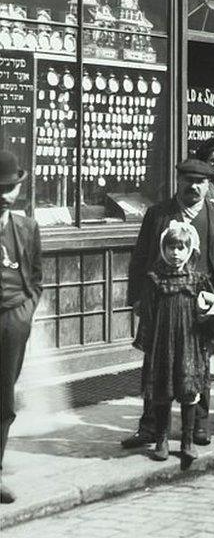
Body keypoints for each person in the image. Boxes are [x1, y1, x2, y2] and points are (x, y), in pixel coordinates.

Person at [123, 158, 214, 450]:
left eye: (200, 182)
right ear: (178, 182)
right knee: (156, 363)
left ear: (208, 185)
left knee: (199, 364)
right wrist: (138, 298)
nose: (194, 187)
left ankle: (198, 426)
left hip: (202, 304)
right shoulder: (158, 214)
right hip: (164, 300)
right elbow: (140, 258)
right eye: (188, 181)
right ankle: (150, 426)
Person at [134, 221, 214, 470]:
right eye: (171, 247)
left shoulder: (198, 280)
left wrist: (208, 338)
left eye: (181, 248)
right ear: (163, 249)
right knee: (162, 391)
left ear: (189, 250)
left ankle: (186, 440)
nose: (175, 253)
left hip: (190, 342)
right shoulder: (155, 280)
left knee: (189, 391)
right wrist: (148, 344)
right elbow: (148, 315)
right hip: (163, 343)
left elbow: (211, 312)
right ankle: (162, 440)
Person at [0, 151, 43, 505]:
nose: (4, 195)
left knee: (3, 399)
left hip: (14, 318)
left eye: (10, 188)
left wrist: (26, 313)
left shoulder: (27, 228)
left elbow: (37, 278)